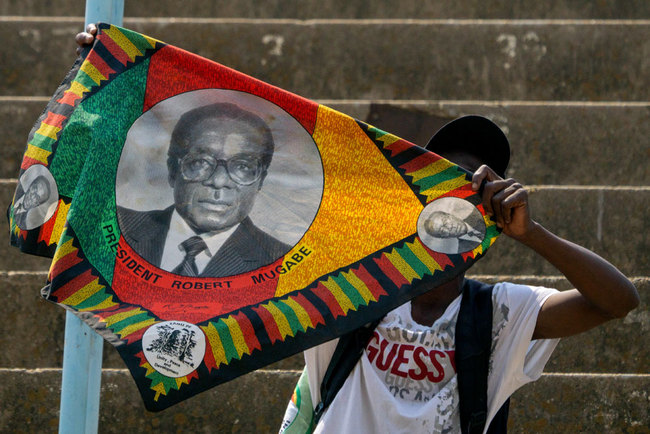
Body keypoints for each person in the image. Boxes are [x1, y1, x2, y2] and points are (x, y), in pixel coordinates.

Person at [279, 115, 639, 433]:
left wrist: (531, 233)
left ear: (491, 220)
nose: (455, 208)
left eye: (473, 194)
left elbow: (618, 301)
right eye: (443, 186)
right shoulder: (355, 285)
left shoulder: (497, 312)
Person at [117, 101, 291, 277]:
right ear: (173, 170)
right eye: (201, 162)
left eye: (243, 167)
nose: (218, 181)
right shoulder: (115, 225)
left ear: (260, 181)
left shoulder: (282, 263)